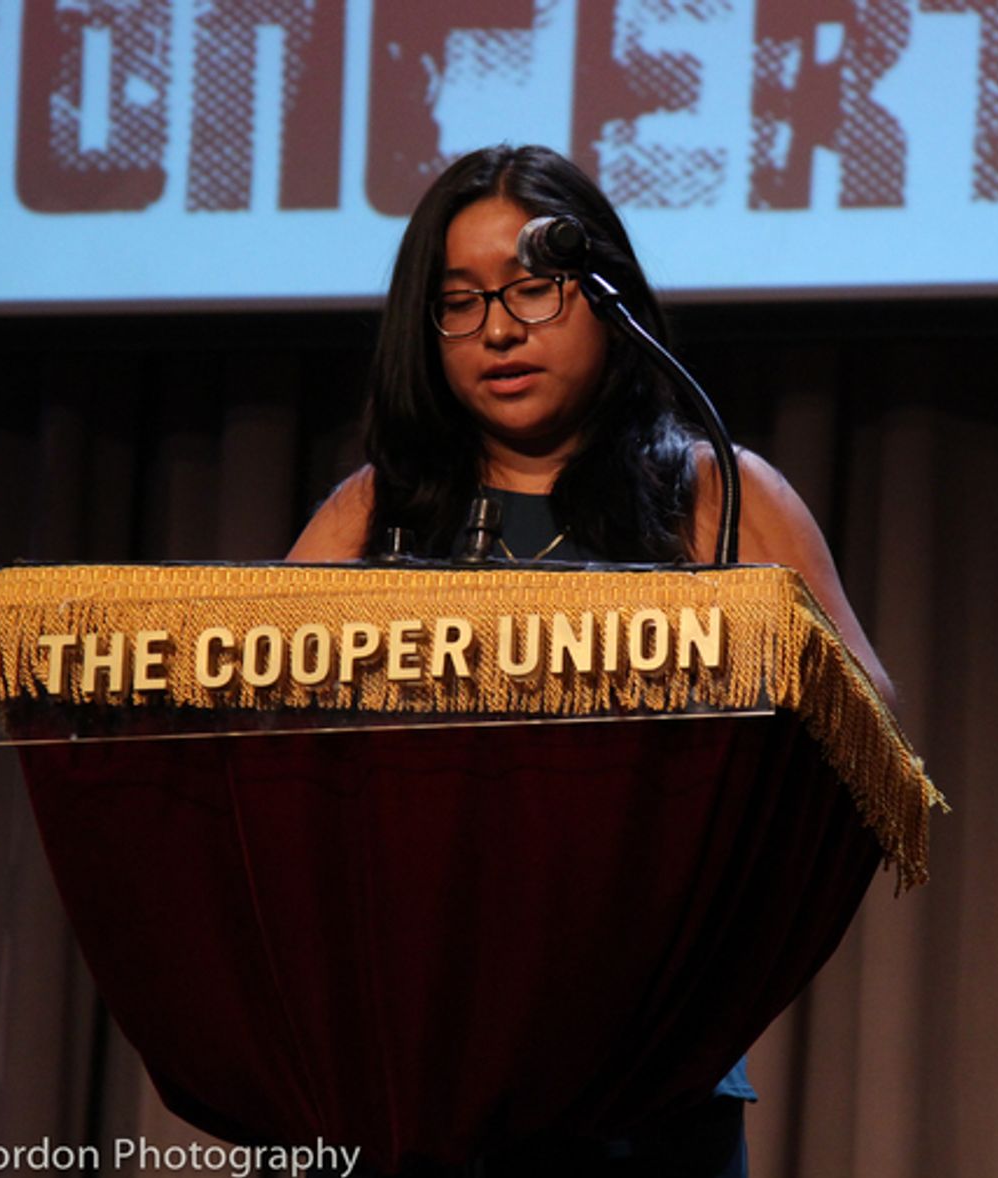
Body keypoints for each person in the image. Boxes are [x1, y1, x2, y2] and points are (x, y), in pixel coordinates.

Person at [288, 144, 895, 1175]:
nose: (495, 327)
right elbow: (267, 738)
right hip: (424, 1049)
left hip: (652, 1058)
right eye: (460, 300)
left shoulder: (715, 493)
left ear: (606, 299)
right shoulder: (372, 511)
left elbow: (866, 726)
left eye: (532, 288)